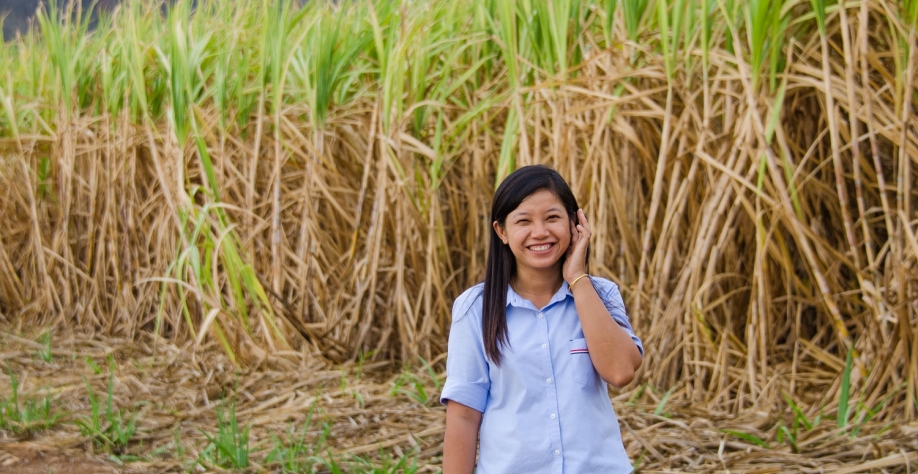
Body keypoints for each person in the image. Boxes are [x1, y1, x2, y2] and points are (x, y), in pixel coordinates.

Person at [440, 165, 644, 474]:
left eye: (552, 218)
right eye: (524, 221)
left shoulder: (601, 295)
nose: (540, 232)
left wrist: (578, 278)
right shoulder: (475, 308)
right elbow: (463, 417)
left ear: (576, 224)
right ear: (502, 232)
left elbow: (620, 371)